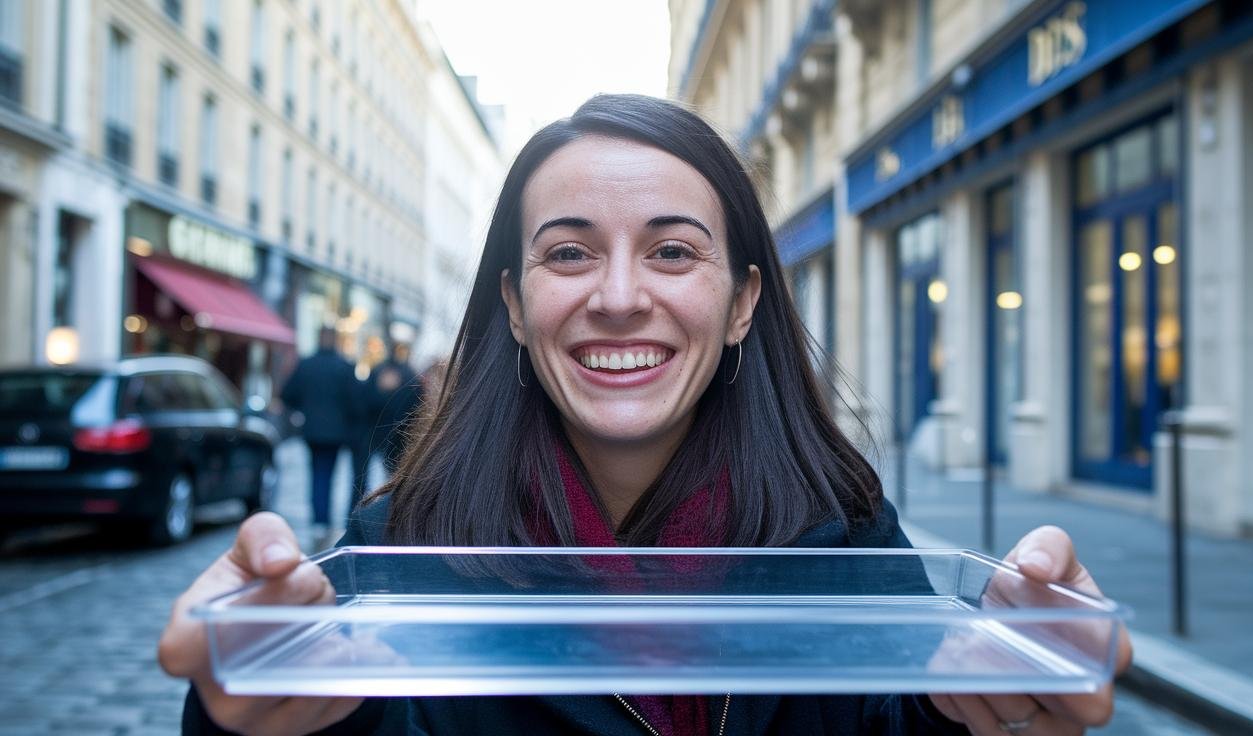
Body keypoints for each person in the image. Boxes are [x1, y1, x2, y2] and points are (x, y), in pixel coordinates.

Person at [160, 94, 1131, 736]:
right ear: (512, 302)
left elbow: (903, 717)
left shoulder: (842, 526)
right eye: (570, 253)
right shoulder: (398, 547)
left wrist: (1001, 708)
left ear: (743, 300)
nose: (619, 295)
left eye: (671, 252)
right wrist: (246, 708)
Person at [279, 326, 363, 548]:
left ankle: (319, 520)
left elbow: (287, 394)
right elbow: (356, 401)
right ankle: (322, 521)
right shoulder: (344, 367)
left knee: (317, 474)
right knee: (328, 474)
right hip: (336, 433)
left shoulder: (307, 365)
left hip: (312, 431)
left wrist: (305, 409)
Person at [363, 342, 423, 479]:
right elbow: (416, 406)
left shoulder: (378, 370)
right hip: (398, 434)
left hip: (378, 432)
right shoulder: (410, 374)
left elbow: (366, 400)